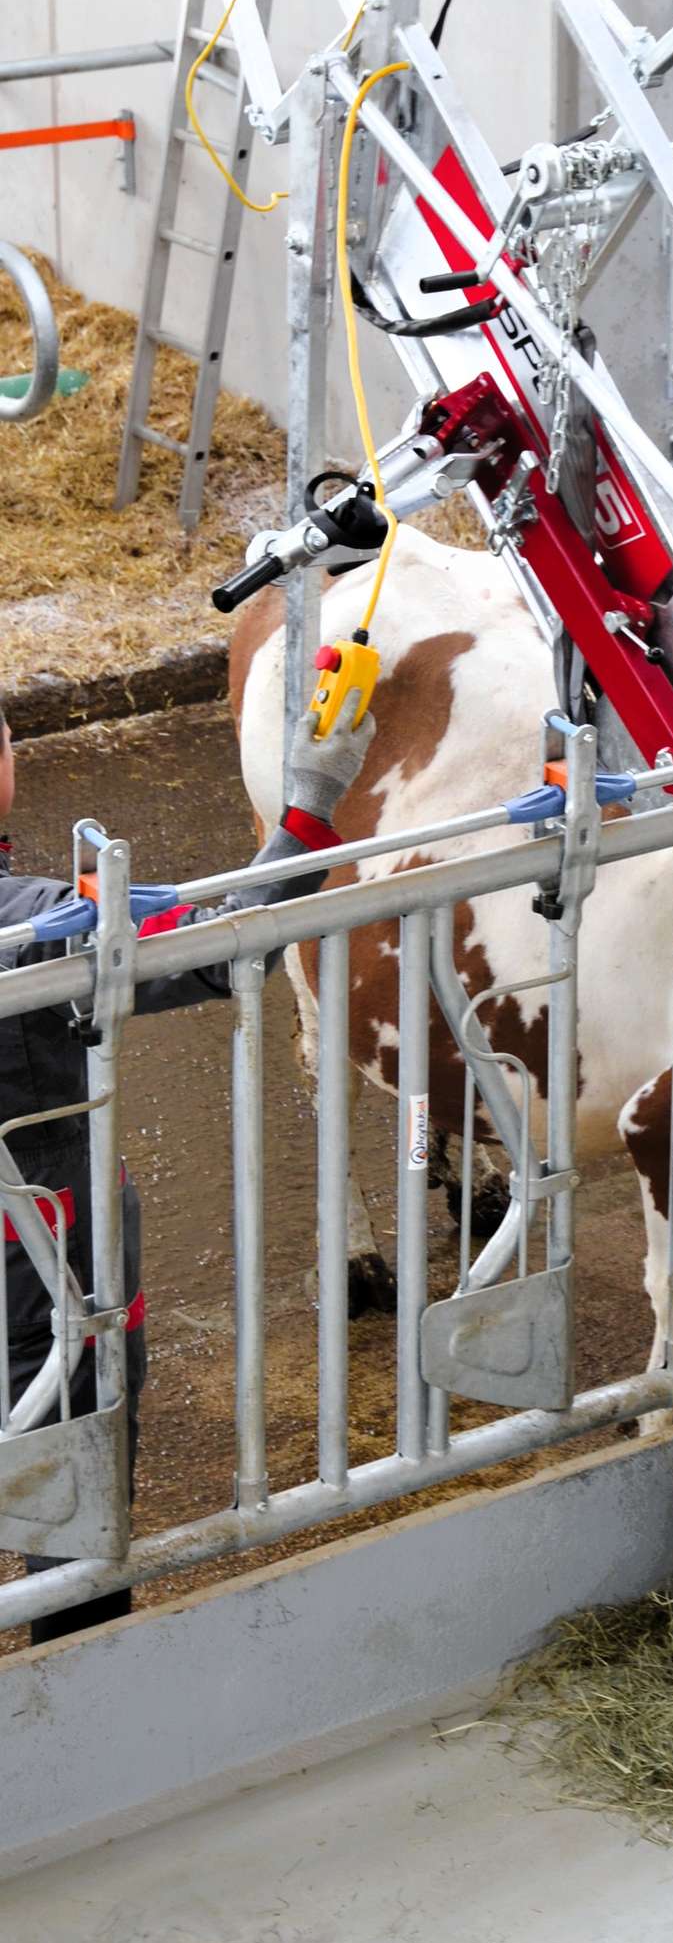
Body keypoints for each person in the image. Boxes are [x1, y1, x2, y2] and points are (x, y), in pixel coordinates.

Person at [0, 690, 375, 1645]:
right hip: (42, 1266)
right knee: (73, 1481)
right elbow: (219, 945)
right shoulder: (36, 924)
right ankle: (79, 1682)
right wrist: (308, 806)